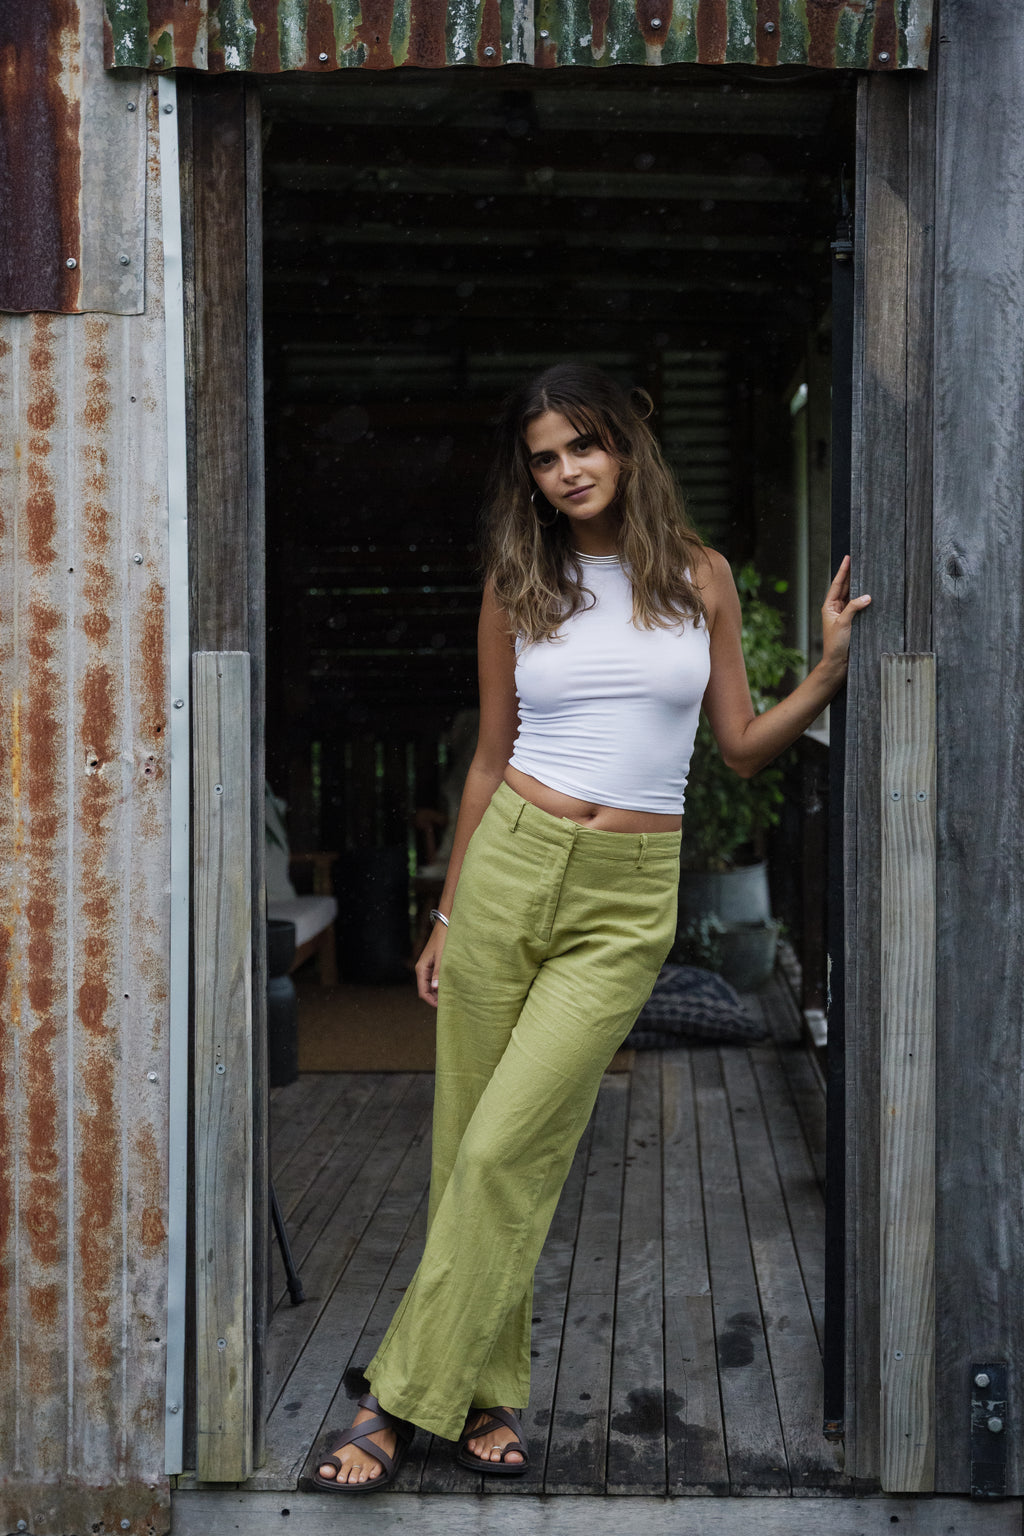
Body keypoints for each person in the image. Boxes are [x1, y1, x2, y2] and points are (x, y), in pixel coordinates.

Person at [311, 362, 870, 1491]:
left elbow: (741, 743)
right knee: (470, 1149)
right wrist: (447, 910)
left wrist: (823, 673)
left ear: (625, 445)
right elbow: (483, 762)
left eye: (582, 446)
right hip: (511, 862)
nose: (565, 471)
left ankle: (389, 1401)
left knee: (508, 1145)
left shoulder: (699, 576)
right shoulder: (521, 576)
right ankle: (486, 1399)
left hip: (624, 894)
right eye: (544, 456)